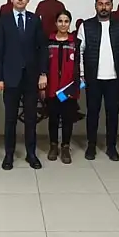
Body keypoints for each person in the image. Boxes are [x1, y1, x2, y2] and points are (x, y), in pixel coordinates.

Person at [0, 0, 48, 170]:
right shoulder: (3, 20)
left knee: (31, 119)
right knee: (10, 119)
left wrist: (43, 73)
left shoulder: (35, 20)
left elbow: (42, 49)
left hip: (31, 78)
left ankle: (31, 154)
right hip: (10, 77)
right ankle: (9, 154)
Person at [77, 0, 119, 161]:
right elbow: (79, 51)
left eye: (107, 4)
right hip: (93, 79)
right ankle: (91, 146)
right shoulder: (86, 26)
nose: (104, 7)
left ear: (112, 6)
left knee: (112, 115)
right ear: (95, 6)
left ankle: (111, 147)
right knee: (93, 113)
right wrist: (82, 74)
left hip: (114, 79)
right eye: (100, 4)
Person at [45, 10, 80, 165]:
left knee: (67, 118)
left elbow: (80, 65)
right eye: (60, 21)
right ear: (56, 23)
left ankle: (65, 146)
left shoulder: (75, 42)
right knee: (53, 118)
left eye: (66, 21)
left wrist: (78, 84)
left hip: (69, 88)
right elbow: (43, 63)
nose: (63, 24)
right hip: (52, 87)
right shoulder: (48, 41)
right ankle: (53, 145)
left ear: (69, 23)